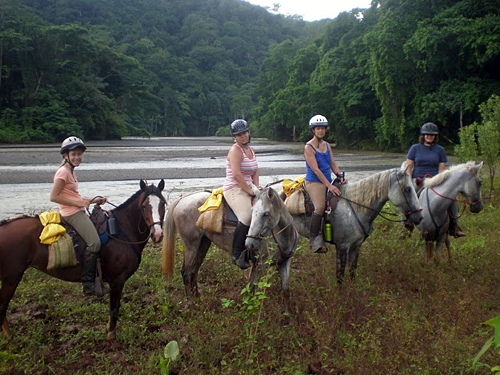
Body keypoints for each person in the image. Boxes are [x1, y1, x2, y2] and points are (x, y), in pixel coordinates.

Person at [50, 136, 108, 296]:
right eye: (74, 154)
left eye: (79, 154)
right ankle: (88, 283)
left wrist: (92, 200)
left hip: (76, 209)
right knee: (95, 243)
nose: (77, 157)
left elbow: (72, 196)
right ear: (65, 155)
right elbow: (54, 196)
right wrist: (80, 204)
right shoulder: (63, 172)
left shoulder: (70, 171)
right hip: (72, 213)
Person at [406, 122, 465, 238]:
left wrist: (440, 183)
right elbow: (409, 167)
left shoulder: (440, 150)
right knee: (406, 197)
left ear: (435, 136)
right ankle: (406, 225)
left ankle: (454, 226)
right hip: (417, 179)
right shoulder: (415, 148)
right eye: (427, 134)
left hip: (434, 180)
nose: (429, 136)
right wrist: (409, 181)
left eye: (432, 135)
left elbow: (442, 170)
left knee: (451, 198)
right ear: (423, 135)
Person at [304, 115, 347, 253]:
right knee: (320, 206)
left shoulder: (327, 145)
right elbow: (316, 170)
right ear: (313, 130)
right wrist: (329, 186)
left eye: (322, 128)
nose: (321, 131)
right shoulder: (308, 147)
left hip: (327, 179)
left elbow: (333, 164)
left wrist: (340, 176)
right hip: (314, 181)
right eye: (318, 128)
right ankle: (314, 239)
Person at [223, 119, 260, 269]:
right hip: (234, 188)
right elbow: (237, 175)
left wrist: (257, 188)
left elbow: (255, 170)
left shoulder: (251, 150)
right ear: (234, 137)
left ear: (249, 132)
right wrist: (250, 191)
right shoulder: (235, 150)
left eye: (244, 132)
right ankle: (237, 253)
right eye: (239, 135)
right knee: (246, 216)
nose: (242, 136)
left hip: (249, 186)